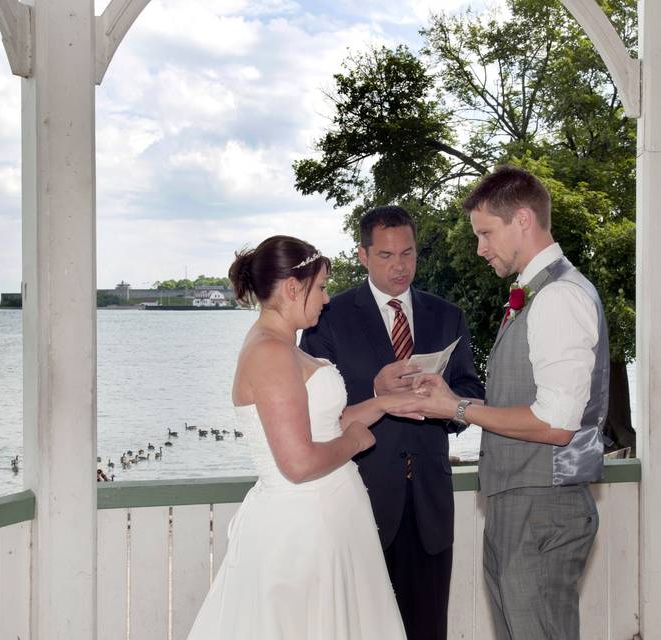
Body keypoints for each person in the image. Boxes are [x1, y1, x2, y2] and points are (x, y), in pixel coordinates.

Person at [408, 166, 607, 640]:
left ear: (522, 219)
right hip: (522, 505)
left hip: (543, 507)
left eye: (485, 233)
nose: (480, 247)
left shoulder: (559, 297)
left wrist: (455, 408)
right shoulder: (536, 293)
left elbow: (557, 425)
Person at [186, 235, 414, 640]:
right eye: (322, 287)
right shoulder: (270, 353)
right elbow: (298, 463)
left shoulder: (281, 346)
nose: (326, 299)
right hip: (304, 528)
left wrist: (382, 405)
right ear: (293, 288)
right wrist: (357, 443)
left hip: (330, 519)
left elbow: (325, 423)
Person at [300, 206, 483, 640]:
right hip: (358, 499)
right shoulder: (328, 316)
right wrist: (374, 389)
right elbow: (317, 410)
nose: (399, 266)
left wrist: (446, 403)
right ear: (362, 255)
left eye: (408, 253)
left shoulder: (447, 315)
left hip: (430, 504)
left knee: (427, 629)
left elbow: (473, 394)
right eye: (385, 255)